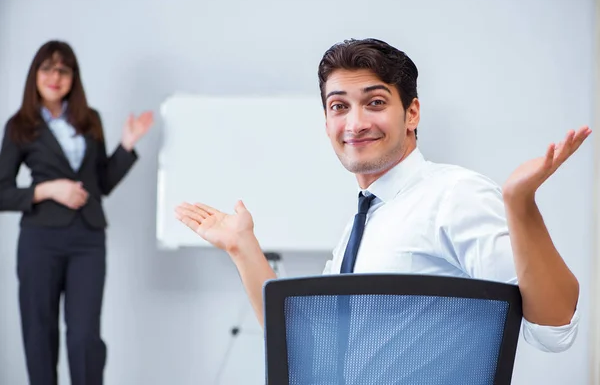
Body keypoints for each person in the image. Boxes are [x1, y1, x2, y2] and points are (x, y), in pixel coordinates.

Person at [175, 38, 590, 354]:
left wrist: (519, 204)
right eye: (339, 107)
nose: (355, 123)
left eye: (374, 102)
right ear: (326, 123)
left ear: (411, 114)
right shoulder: (362, 227)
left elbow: (554, 327)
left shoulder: (453, 195)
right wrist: (242, 247)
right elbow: (306, 350)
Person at [0, 40, 153, 385]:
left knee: (85, 336)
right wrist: (48, 189)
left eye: (63, 70)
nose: (55, 77)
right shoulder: (19, 126)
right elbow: (2, 191)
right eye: (48, 68)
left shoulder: (89, 120)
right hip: (40, 239)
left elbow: (102, 183)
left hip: (88, 238)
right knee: (40, 332)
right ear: (35, 74)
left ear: (73, 77)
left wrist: (126, 145)